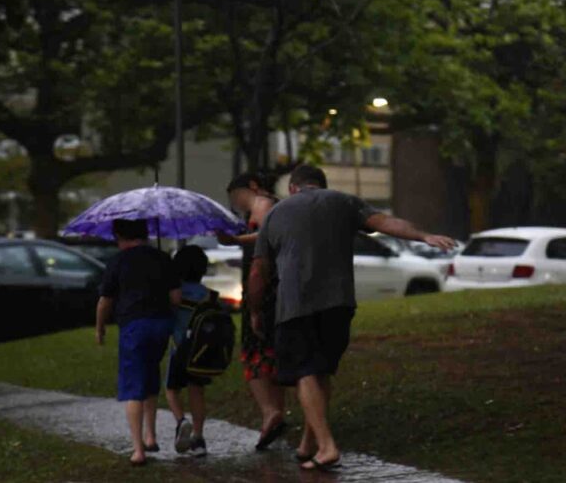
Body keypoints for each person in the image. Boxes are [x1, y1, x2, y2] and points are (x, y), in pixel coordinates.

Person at [248, 165, 455, 471]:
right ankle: (309, 444)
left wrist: (254, 310)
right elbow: (385, 222)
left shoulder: (276, 214)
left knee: (305, 373)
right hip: (339, 302)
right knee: (321, 371)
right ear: (321, 184)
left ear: (293, 188)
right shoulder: (343, 201)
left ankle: (328, 446)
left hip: (295, 305)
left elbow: (258, 271)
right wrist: (424, 235)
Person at [96, 219, 181, 466]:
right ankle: (151, 437)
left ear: (120, 236)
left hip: (134, 326)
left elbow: (105, 301)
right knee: (150, 377)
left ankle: (138, 450)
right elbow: (176, 297)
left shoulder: (118, 261)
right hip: (161, 325)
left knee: (134, 384)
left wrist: (100, 329)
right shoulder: (162, 258)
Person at [218, 173, 287, 450]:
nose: (238, 203)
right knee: (270, 353)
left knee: (254, 354)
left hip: (264, 289)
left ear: (254, 188)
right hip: (273, 288)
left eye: (239, 196)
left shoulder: (263, 203)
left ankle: (271, 412)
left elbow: (266, 238)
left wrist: (236, 241)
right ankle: (274, 414)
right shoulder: (273, 206)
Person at [165, 245, 216, 457]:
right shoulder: (208, 296)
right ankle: (199, 438)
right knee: (197, 391)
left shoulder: (175, 294)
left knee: (171, 390)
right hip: (200, 353)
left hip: (179, 350)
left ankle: (180, 421)